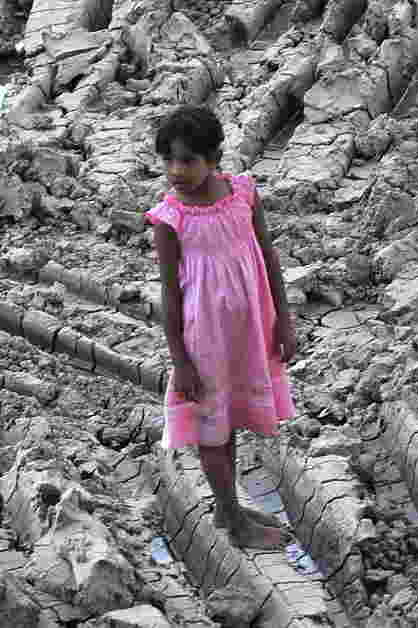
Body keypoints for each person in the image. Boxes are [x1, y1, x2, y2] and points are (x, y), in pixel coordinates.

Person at [145, 105, 297, 547]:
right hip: (204, 340)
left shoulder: (243, 194)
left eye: (188, 160)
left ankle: (227, 505)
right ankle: (233, 519)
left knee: (228, 420)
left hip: (248, 333)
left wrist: (284, 322)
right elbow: (170, 295)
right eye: (169, 160)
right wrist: (181, 360)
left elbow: (268, 257)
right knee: (212, 426)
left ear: (214, 158)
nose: (176, 170)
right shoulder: (170, 220)